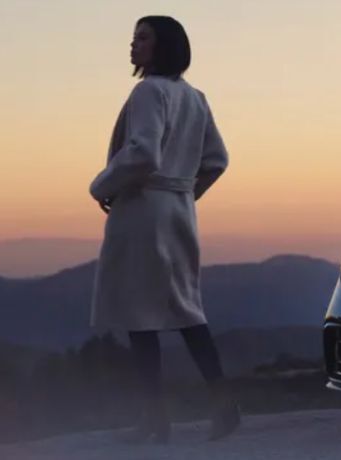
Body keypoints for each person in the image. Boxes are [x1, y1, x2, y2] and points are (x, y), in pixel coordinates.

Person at [89, 15, 236, 444]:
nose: (133, 45)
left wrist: (101, 184)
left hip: (144, 211)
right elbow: (217, 160)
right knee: (186, 308)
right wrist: (185, 193)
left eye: (143, 38)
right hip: (178, 210)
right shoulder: (195, 97)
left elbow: (142, 152)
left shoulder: (148, 91)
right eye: (134, 38)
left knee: (141, 315)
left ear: (164, 45)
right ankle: (224, 404)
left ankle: (154, 420)